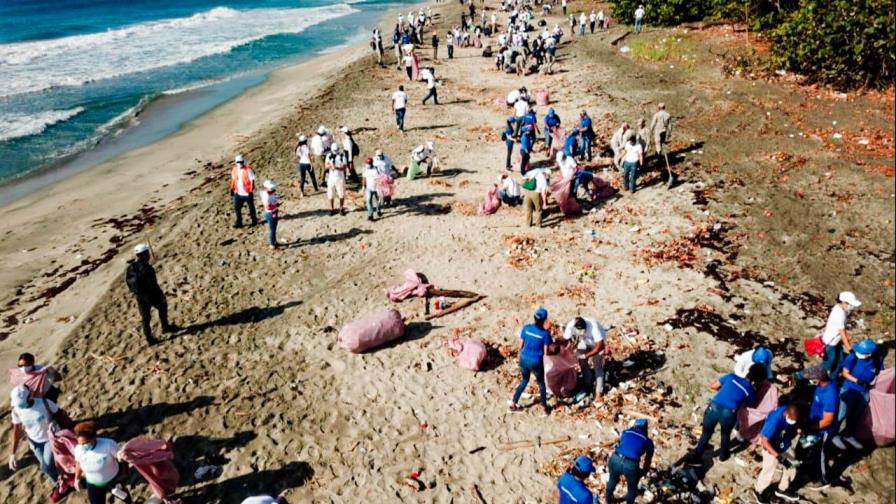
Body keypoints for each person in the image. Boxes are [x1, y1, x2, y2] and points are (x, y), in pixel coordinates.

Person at [693, 364, 765, 461]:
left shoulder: (731, 377)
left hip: (713, 407)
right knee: (725, 434)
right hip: (729, 413)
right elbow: (750, 406)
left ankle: (697, 455)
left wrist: (723, 392)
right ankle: (723, 456)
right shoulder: (750, 391)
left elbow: (713, 386)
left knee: (706, 433)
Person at [8, 385, 65, 501]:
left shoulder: (44, 403)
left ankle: (63, 484)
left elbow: (61, 414)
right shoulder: (16, 411)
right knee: (47, 466)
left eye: (21, 403)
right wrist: (12, 454)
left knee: (46, 467)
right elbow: (16, 431)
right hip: (34, 441)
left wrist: (54, 423)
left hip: (50, 438)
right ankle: (58, 484)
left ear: (30, 397)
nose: (20, 406)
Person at [836, 339, 881, 450]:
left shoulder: (876, 359)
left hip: (864, 392)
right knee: (842, 413)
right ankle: (833, 434)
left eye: (862, 353)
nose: (858, 353)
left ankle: (848, 435)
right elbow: (845, 373)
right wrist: (857, 381)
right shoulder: (853, 357)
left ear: (869, 354)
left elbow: (879, 372)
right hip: (850, 389)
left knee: (856, 415)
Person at [126, 243, 175, 345]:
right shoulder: (147, 269)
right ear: (144, 255)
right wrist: (161, 296)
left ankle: (149, 338)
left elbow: (128, 281)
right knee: (162, 305)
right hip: (149, 295)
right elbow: (153, 286)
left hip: (139, 296)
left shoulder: (131, 267)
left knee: (145, 318)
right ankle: (165, 327)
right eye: (147, 253)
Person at [73, 421, 132, 504]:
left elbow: (121, 459)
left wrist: (124, 474)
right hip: (93, 483)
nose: (84, 446)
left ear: (94, 438)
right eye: (81, 444)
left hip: (114, 480)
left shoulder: (108, 444)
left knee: (125, 497)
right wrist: (77, 479)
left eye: (86, 442)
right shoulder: (78, 449)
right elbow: (79, 463)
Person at [752, 404, 801, 503]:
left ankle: (782, 489)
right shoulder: (773, 422)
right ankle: (759, 491)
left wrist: (798, 429)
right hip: (771, 448)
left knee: (792, 466)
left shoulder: (788, 410)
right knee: (768, 470)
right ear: (786, 414)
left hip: (784, 443)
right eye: (792, 420)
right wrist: (778, 457)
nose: (793, 422)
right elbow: (765, 441)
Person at [509, 307, 553, 415]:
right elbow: (546, 352)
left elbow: (521, 345)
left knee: (524, 380)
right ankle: (544, 407)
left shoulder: (526, 328)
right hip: (536, 361)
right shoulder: (545, 334)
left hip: (524, 358)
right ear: (545, 320)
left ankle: (513, 403)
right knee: (541, 383)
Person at [804, 365, 839, 486]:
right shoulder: (822, 385)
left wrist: (811, 428)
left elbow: (828, 420)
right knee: (813, 451)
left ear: (818, 379)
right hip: (815, 423)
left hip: (824, 430)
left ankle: (824, 479)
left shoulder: (830, 395)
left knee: (821, 454)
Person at [606, 419, 654, 504]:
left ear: (634, 426)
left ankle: (608, 500)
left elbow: (622, 444)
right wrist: (644, 471)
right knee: (632, 488)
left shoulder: (626, 432)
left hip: (615, 458)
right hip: (631, 465)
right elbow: (648, 459)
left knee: (612, 479)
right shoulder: (647, 441)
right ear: (646, 428)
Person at [562, 316, 607, 397]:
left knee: (598, 367)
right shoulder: (570, 326)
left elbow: (600, 346)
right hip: (584, 340)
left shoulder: (593, 327)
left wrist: (586, 356)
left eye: (583, 330)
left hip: (596, 343)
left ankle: (599, 392)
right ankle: (588, 383)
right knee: (582, 363)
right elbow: (565, 340)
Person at [820, 291, 861, 378]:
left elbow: (843, 330)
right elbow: (842, 333)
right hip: (830, 343)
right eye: (851, 305)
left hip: (836, 341)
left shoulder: (841, 309)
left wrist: (847, 340)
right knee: (827, 364)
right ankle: (799, 376)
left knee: (840, 360)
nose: (852, 307)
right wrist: (850, 349)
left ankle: (833, 378)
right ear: (843, 302)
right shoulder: (839, 314)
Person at [649, 103, 674, 186]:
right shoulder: (668, 115)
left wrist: (651, 131)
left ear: (658, 108)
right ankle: (659, 154)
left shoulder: (656, 114)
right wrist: (669, 133)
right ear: (664, 107)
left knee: (658, 144)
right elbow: (670, 125)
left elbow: (653, 124)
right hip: (664, 131)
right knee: (662, 143)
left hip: (658, 131)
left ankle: (659, 157)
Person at [230, 154, 258, 228]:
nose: (240, 163)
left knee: (251, 208)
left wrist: (250, 191)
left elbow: (252, 181)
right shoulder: (234, 169)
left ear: (243, 162)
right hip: (238, 192)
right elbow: (234, 180)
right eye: (238, 162)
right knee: (237, 208)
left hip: (247, 192)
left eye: (241, 162)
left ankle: (254, 221)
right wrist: (232, 188)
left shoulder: (248, 170)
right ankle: (239, 222)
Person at [325, 144, 348, 215]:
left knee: (341, 194)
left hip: (340, 178)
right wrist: (330, 166)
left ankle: (341, 208)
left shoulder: (342, 156)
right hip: (331, 178)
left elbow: (344, 168)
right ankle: (332, 209)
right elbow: (325, 166)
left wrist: (337, 168)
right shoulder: (329, 156)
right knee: (331, 194)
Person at [260, 180, 280, 249]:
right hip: (271, 213)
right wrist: (276, 206)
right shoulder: (266, 196)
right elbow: (268, 206)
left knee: (274, 229)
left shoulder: (272, 192)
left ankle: (274, 241)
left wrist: (276, 204)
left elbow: (274, 200)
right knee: (272, 230)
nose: (273, 189)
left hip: (274, 211)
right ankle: (272, 244)